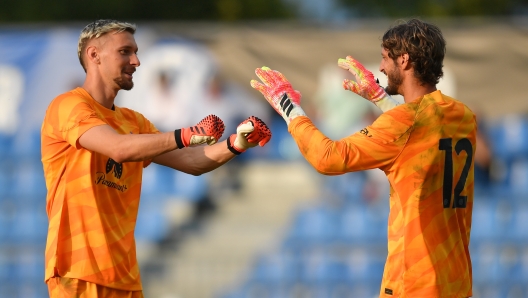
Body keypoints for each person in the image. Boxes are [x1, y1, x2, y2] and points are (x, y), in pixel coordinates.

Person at [41, 19, 271, 298]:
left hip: (125, 278)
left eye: (136, 52)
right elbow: (118, 149)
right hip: (77, 273)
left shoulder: (133, 121)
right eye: (125, 51)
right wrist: (184, 134)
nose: (136, 61)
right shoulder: (67, 105)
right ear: (94, 55)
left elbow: (192, 162)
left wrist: (235, 144)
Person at [251, 18, 476, 298]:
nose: (380, 67)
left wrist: (290, 107)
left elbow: (328, 158)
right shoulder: (462, 115)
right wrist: (382, 99)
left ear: (404, 60)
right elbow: (421, 133)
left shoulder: (403, 123)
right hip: (456, 282)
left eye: (385, 58)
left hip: (415, 284)